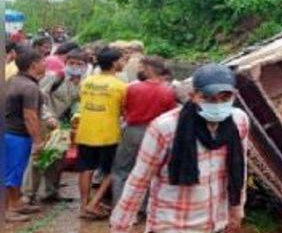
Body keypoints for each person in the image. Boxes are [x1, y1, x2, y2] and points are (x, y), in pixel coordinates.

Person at [107, 64, 249, 233]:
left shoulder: (238, 121)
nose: (217, 104)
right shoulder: (165, 128)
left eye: (225, 97)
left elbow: (239, 166)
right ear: (193, 96)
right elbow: (138, 181)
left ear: (234, 96)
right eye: (209, 97)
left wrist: (236, 208)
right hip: (171, 227)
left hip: (213, 223)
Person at [23, 49, 87, 204]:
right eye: (71, 63)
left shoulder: (82, 83)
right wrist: (49, 117)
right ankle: (28, 194)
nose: (75, 67)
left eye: (79, 64)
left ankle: (50, 192)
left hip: (62, 126)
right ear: (65, 63)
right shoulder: (54, 78)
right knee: (39, 157)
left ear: (85, 66)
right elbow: (39, 100)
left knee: (57, 158)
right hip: (45, 123)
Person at [111, 56, 177, 207]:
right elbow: (170, 115)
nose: (138, 70)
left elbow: (125, 108)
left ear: (148, 69)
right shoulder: (167, 91)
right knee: (150, 171)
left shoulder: (133, 88)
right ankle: (143, 208)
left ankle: (120, 205)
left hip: (133, 131)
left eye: (141, 67)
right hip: (156, 134)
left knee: (122, 169)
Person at [75, 46, 128, 219]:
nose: (123, 63)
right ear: (114, 64)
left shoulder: (87, 81)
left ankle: (83, 205)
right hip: (108, 134)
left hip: (85, 131)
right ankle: (94, 203)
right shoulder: (121, 86)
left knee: (85, 169)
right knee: (111, 170)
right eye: (121, 60)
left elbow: (81, 99)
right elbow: (124, 110)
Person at [5, 50, 58, 222]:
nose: (46, 64)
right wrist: (37, 140)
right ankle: (9, 209)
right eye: (43, 61)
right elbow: (30, 116)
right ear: (33, 65)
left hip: (9, 132)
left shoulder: (13, 81)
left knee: (15, 171)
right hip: (16, 135)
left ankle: (16, 202)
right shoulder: (29, 87)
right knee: (13, 172)